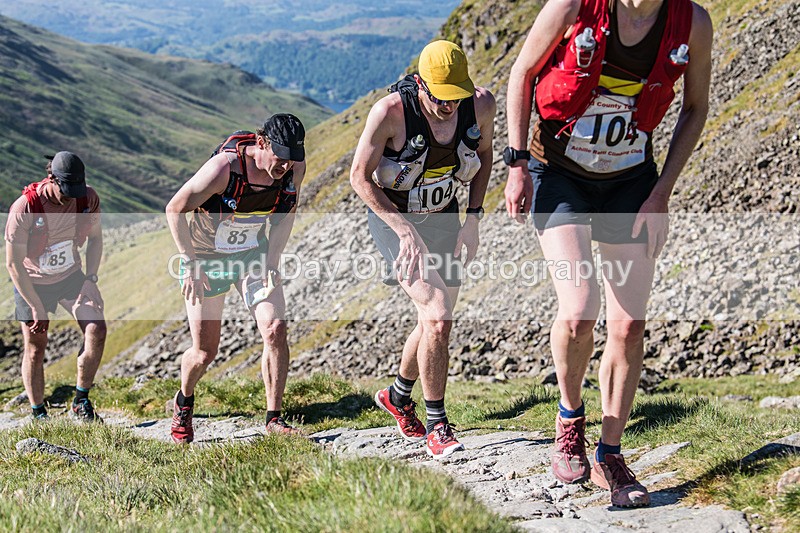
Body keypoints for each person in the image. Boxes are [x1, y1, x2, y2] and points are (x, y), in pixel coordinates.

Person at [504, 0, 712, 506]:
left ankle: (611, 454)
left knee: (628, 325)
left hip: (632, 183)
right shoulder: (574, 6)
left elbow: (695, 107)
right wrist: (515, 163)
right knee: (579, 311)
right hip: (558, 173)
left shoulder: (693, 23)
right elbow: (522, 73)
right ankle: (569, 419)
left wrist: (660, 194)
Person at [350, 40, 496, 457]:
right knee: (438, 316)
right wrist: (403, 231)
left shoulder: (481, 105)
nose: (449, 106)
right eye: (440, 97)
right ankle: (437, 424)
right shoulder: (390, 113)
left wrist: (473, 219)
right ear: (420, 83)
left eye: (456, 96)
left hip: (445, 217)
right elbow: (358, 177)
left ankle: (397, 396)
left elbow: (485, 156)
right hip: (395, 222)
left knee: (433, 321)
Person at [165, 114, 306, 444]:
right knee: (204, 352)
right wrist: (190, 263)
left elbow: (286, 214)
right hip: (207, 260)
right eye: (280, 157)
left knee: (275, 329)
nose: (285, 165)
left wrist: (272, 260)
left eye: (292, 158)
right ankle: (184, 401)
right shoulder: (224, 169)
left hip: (252, 256)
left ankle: (274, 418)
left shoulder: (293, 169)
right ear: (262, 143)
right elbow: (174, 209)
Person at [5, 151, 106, 422]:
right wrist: (35, 306)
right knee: (35, 347)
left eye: (76, 190)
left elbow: (95, 239)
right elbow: (13, 264)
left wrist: (90, 279)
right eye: (65, 191)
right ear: (51, 178)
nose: (70, 197)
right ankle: (38, 413)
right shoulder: (25, 208)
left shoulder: (87, 198)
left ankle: (81, 401)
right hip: (31, 282)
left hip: (71, 277)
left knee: (96, 329)